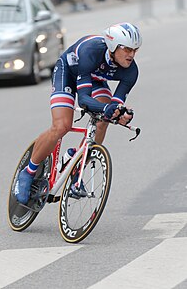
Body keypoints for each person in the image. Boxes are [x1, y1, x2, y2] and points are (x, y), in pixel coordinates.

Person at [15, 22, 142, 205]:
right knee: (62, 126)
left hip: (94, 80)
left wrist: (120, 114)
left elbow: (115, 105)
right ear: (113, 47)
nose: (131, 55)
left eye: (135, 50)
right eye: (127, 49)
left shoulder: (131, 72)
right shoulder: (91, 50)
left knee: (103, 120)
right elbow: (83, 99)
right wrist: (107, 109)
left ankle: (76, 162)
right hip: (68, 73)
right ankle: (28, 172)